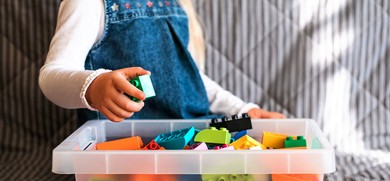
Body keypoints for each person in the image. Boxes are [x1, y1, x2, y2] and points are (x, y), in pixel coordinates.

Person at [39, 0, 285, 124]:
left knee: (253, 145)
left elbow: (191, 80)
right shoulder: (90, 3)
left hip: (193, 136)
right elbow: (51, 75)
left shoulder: (177, 5)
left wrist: (241, 110)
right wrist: (94, 86)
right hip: (126, 147)